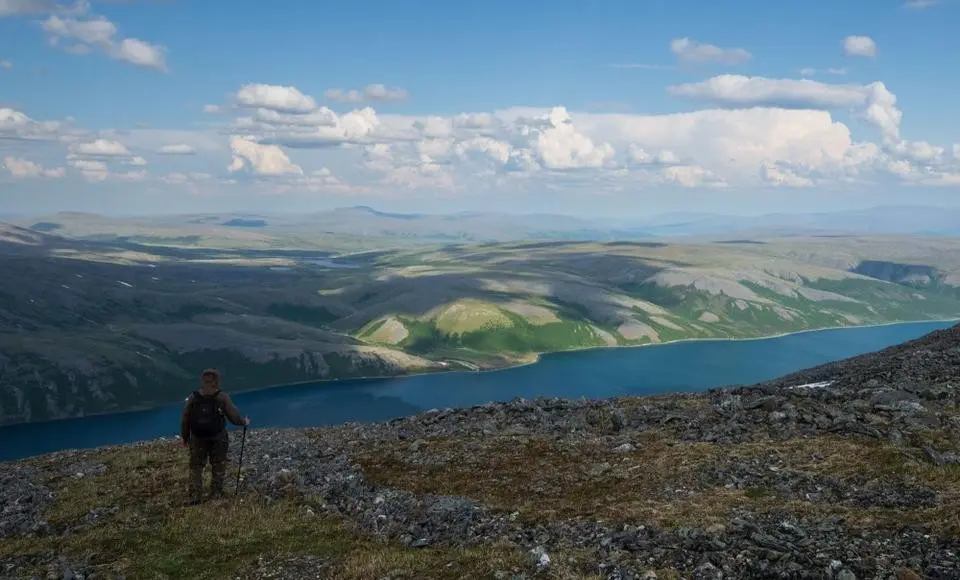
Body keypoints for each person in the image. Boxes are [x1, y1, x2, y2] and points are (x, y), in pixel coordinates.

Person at [180, 368, 249, 504]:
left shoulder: (194, 397)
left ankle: (195, 496)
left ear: (203, 381)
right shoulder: (221, 396)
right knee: (218, 464)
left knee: (196, 466)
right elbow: (233, 417)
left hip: (197, 438)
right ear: (216, 381)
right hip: (218, 437)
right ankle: (216, 494)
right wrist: (244, 422)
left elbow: (185, 418)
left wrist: (185, 436)